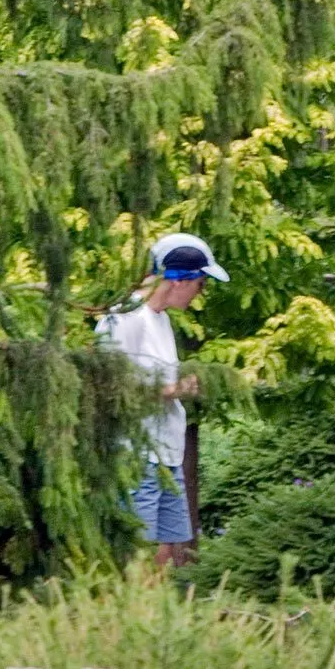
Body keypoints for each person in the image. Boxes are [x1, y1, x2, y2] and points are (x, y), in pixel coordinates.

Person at [97, 231, 226, 564]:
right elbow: (109, 387)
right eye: (202, 284)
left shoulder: (161, 320)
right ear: (182, 281)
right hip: (136, 454)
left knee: (167, 547)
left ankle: (160, 613)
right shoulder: (124, 318)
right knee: (141, 549)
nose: (200, 295)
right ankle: (134, 613)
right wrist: (172, 391)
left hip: (167, 453)